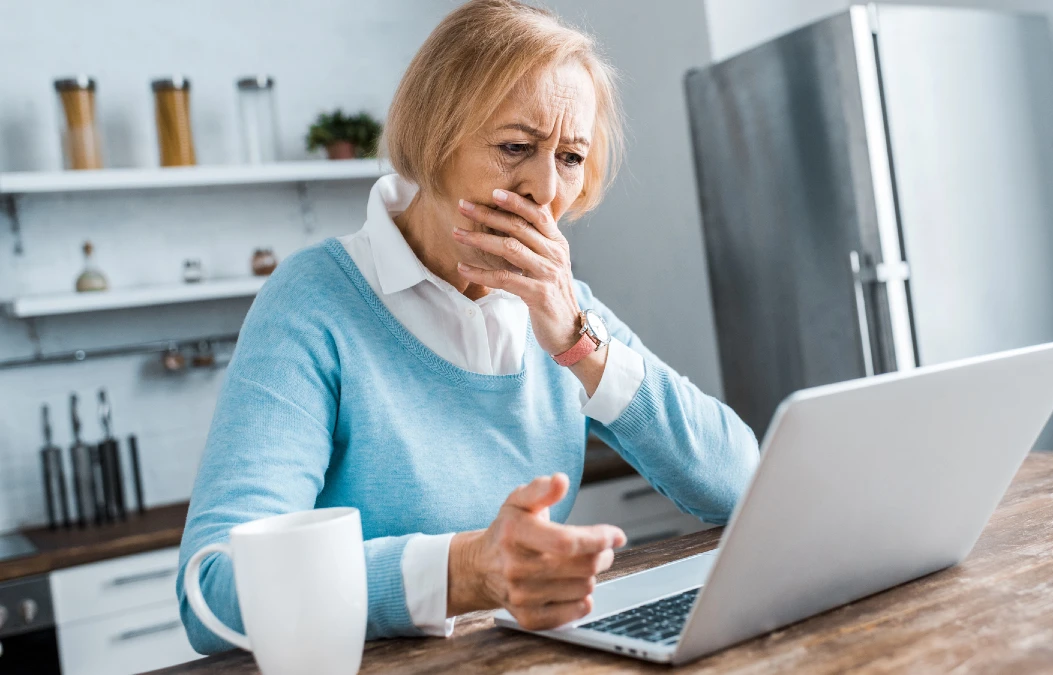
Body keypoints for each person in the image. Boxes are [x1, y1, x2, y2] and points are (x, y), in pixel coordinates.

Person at [177, 0, 758, 653]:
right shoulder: (314, 302)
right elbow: (214, 593)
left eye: (569, 156)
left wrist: (579, 343)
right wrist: (464, 572)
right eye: (516, 147)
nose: (545, 189)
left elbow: (740, 484)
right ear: (433, 138)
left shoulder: (562, 309)